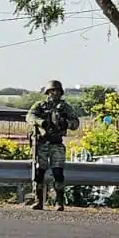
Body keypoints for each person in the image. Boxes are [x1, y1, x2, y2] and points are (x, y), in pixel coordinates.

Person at [27, 80, 80, 211]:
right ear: (48, 92)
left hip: (56, 143)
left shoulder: (65, 107)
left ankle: (59, 202)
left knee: (58, 173)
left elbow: (76, 123)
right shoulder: (40, 105)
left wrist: (66, 123)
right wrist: (41, 122)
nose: (55, 93)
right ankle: (39, 201)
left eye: (57, 91)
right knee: (39, 172)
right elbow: (29, 116)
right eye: (52, 91)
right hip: (42, 143)